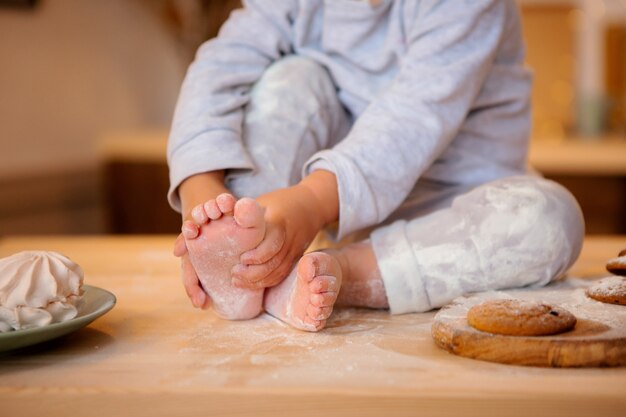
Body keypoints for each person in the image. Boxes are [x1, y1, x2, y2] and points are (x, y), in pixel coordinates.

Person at [167, 0, 585, 332]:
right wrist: (201, 190)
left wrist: (312, 201)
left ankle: (340, 273)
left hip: (457, 221)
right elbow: (219, 67)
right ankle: (245, 248)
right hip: (336, 209)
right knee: (289, 80)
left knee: (551, 217)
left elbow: (414, 116)